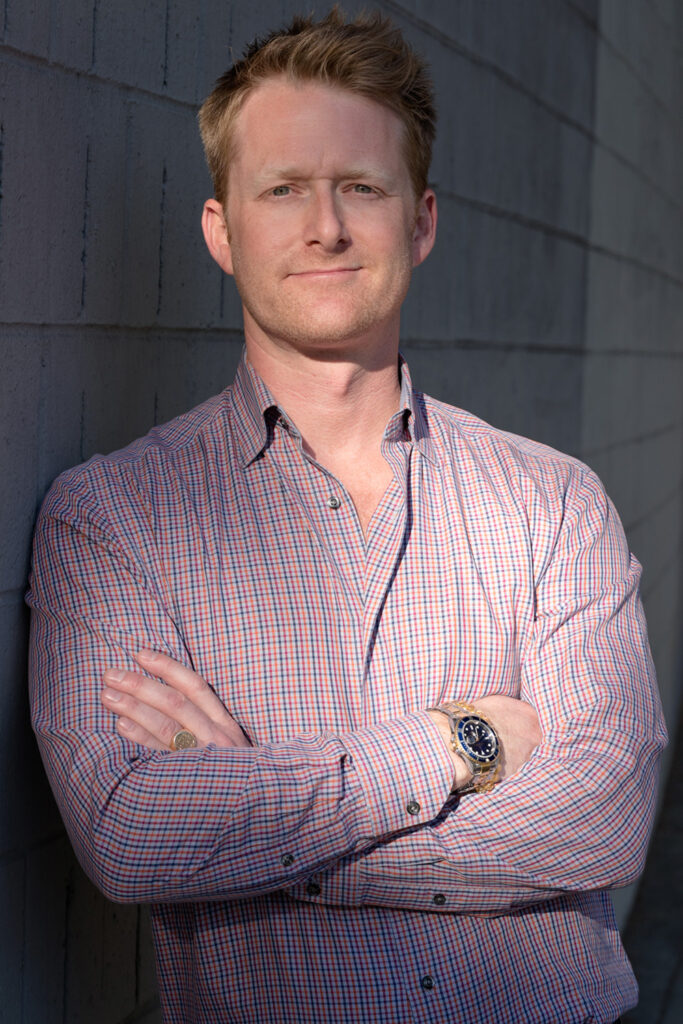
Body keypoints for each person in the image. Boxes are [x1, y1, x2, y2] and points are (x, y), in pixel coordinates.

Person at [28, 9, 666, 1024]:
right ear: (220, 230)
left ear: (418, 220)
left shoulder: (550, 502)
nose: (323, 224)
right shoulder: (113, 518)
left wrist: (254, 826)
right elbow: (127, 833)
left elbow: (605, 815)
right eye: (282, 188)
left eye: (359, 187)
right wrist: (450, 744)